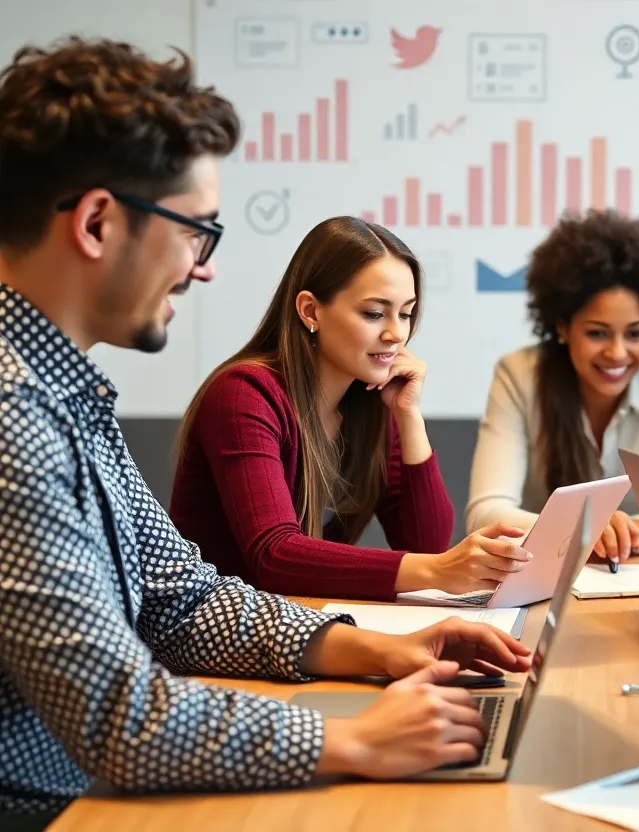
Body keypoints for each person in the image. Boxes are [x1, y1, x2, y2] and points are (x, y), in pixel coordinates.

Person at [0, 37, 530, 829]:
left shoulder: (68, 394)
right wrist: (347, 739)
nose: (203, 266)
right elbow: (120, 719)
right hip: (47, 803)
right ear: (99, 223)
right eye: (195, 231)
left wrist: (381, 650)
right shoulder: (15, 416)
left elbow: (180, 600)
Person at [171, 216, 532, 601]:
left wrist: (409, 417)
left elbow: (426, 544)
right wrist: (438, 569)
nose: (396, 334)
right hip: (214, 637)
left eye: (406, 313)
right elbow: (274, 555)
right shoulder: (244, 394)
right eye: (375, 313)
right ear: (310, 311)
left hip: (299, 623)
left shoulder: (372, 402)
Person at [466, 209, 639, 563]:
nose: (616, 352)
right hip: (544, 576)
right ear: (563, 327)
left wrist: (612, 534)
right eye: (597, 333)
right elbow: (485, 514)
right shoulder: (518, 374)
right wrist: (586, 528)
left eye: (636, 334)